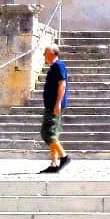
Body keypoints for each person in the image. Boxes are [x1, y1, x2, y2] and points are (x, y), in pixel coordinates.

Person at [40, 43, 70, 173]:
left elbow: (62, 84)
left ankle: (64, 157)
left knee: (47, 133)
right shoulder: (54, 67)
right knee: (53, 133)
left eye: (45, 53)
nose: (44, 55)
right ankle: (54, 164)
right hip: (51, 105)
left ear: (52, 54)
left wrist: (57, 103)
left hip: (54, 106)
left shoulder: (58, 65)